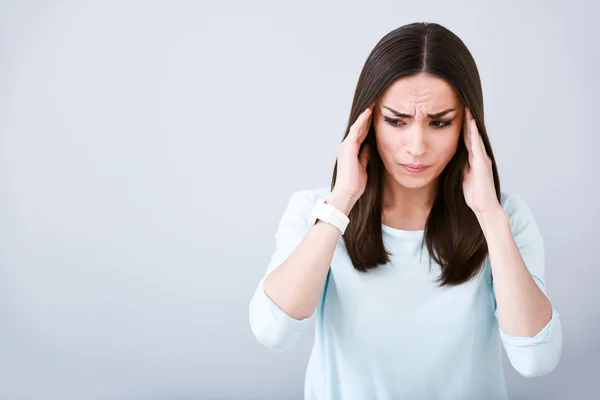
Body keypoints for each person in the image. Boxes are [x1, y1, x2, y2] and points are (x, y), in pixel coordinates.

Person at [248, 22, 562, 400]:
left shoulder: (504, 217)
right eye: (396, 121)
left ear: (468, 125)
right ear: (367, 121)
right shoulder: (316, 211)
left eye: (440, 122)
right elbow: (273, 332)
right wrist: (342, 200)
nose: (416, 147)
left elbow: (536, 360)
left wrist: (489, 217)